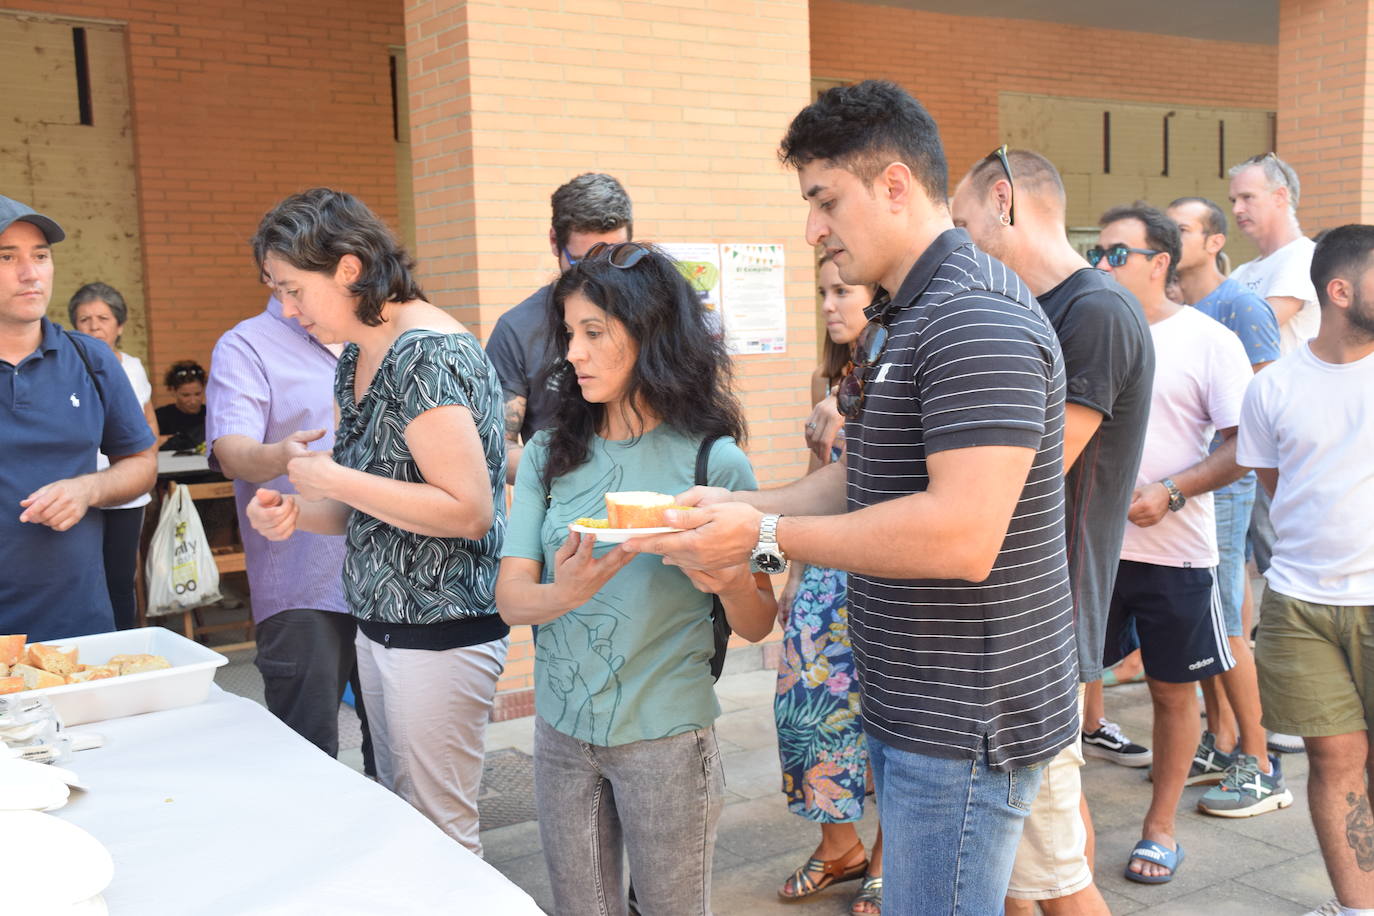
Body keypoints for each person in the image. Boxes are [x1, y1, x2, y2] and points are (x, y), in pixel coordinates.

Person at [626, 81, 1079, 915]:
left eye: (824, 199)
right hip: (914, 701)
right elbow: (857, 480)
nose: (813, 229)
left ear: (897, 185)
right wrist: (737, 514)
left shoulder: (973, 317)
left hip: (963, 717)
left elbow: (958, 535)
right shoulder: (905, 319)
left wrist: (763, 531)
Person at [495, 242, 777, 916]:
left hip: (668, 737)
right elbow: (510, 599)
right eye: (569, 334)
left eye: (594, 333)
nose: (574, 354)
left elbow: (762, 616)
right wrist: (567, 593)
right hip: (562, 732)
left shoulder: (719, 460)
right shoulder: (544, 452)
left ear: (649, 336)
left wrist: (726, 578)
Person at [245, 188, 508, 854]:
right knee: (405, 823)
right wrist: (301, 512)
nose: (287, 308)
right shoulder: (360, 354)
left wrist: (334, 478)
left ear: (349, 268)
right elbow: (373, 503)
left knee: (442, 838)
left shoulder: (423, 354)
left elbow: (469, 510)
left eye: (294, 289)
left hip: (441, 629)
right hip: (383, 624)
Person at [951, 148, 1153, 916]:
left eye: (966, 224)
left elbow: (1032, 472)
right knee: (1036, 851)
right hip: (1026, 619)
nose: (961, 243)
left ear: (1004, 202)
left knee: (1055, 871)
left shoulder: (1094, 310)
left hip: (1044, 618)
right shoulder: (1042, 308)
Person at [1092, 203, 1276, 884]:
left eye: (1116, 254)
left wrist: (1172, 491)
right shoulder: (1088, 331)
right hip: (1092, 553)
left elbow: (1247, 447)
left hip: (1176, 553)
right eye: (1098, 253)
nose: (1101, 266)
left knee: (1174, 695)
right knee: (1067, 684)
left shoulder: (1208, 340)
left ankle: (1160, 828)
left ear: (1159, 263)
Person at [1237, 224, 1374, 916]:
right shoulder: (1274, 389)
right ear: (1341, 291)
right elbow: (1273, 483)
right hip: (1298, 603)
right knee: (1334, 761)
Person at [207, 293, 373, 774]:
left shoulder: (376, 338)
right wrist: (281, 455)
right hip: (304, 583)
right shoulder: (247, 345)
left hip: (392, 576)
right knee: (310, 760)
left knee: (396, 758)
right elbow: (232, 450)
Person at [1168, 196, 1288, 816]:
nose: (1172, 234)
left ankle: (1263, 765)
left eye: (1183, 227)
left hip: (1223, 484)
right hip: (1183, 489)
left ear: (1215, 242)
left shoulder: (1239, 304)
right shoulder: (1178, 307)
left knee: (1225, 622)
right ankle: (1222, 742)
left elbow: (1265, 410)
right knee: (1211, 620)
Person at [774, 253, 883, 915]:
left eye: (844, 291)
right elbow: (816, 483)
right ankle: (838, 845)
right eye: (823, 292)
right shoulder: (828, 377)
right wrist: (793, 574)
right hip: (825, 572)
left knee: (886, 723)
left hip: (886, 564)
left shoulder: (901, 370)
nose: (830, 305)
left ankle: (886, 855)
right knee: (808, 714)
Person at [0, 195, 156, 640]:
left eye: (41, 256)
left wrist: (89, 488)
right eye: (7, 257)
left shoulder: (91, 359)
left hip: (78, 623)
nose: (30, 273)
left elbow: (142, 463)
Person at [1227, 152, 1320, 755]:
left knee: (1289, 571)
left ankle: (1301, 716)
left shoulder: (1301, 261)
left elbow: (1246, 332)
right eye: (1232, 200)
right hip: (1248, 438)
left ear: (1282, 196)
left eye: (1248, 198)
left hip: (1292, 443)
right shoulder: (1246, 274)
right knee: (1259, 576)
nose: (1238, 209)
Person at [486, 173, 633, 483]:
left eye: (614, 259)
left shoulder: (657, 312)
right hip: (564, 517)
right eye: (584, 262)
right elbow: (497, 449)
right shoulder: (518, 329)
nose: (600, 277)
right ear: (555, 242)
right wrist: (576, 474)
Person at [68, 282, 159, 630]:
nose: (94, 326)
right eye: (85, 319)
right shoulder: (65, 369)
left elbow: (148, 420)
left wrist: (143, 464)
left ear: (119, 325)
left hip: (125, 494)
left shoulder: (133, 367)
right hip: (78, 491)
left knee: (120, 579)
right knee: (82, 580)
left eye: (103, 318)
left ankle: (125, 648)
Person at [156, 359, 207, 450]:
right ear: (172, 391)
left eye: (198, 394)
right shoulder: (160, 416)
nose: (193, 401)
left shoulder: (212, 415)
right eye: (186, 395)